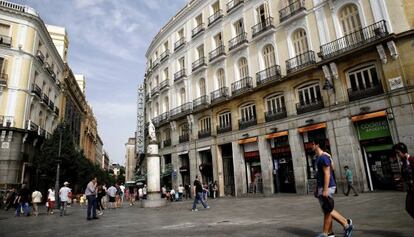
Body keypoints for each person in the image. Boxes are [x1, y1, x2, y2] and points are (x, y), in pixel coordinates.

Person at [312, 140, 353, 237]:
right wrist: (317, 188)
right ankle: (330, 232)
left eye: (313, 144)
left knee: (327, 209)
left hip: (327, 186)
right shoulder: (318, 158)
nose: (311, 146)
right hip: (321, 186)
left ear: (318, 144)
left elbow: (328, 173)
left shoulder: (324, 157)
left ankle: (344, 225)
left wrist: (325, 189)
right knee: (327, 210)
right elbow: (319, 175)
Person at [393, 142, 414, 219]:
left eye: (398, 152)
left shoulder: (412, 160)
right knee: (409, 208)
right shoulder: (403, 163)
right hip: (410, 190)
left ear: (403, 151)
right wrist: (399, 179)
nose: (397, 155)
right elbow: (405, 176)